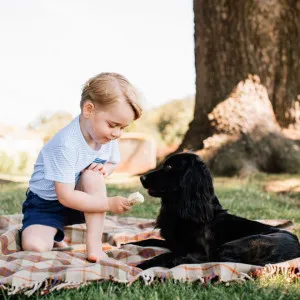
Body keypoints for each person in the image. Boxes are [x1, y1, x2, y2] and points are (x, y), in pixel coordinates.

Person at [20, 72, 142, 262]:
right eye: (113, 125)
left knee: (93, 177)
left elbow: (111, 163)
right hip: (46, 204)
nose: (117, 133)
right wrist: (108, 204)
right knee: (35, 247)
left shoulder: (106, 137)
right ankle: (51, 232)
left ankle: (94, 247)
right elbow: (65, 196)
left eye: (123, 128)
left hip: (80, 200)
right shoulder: (66, 144)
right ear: (88, 109)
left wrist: (104, 170)